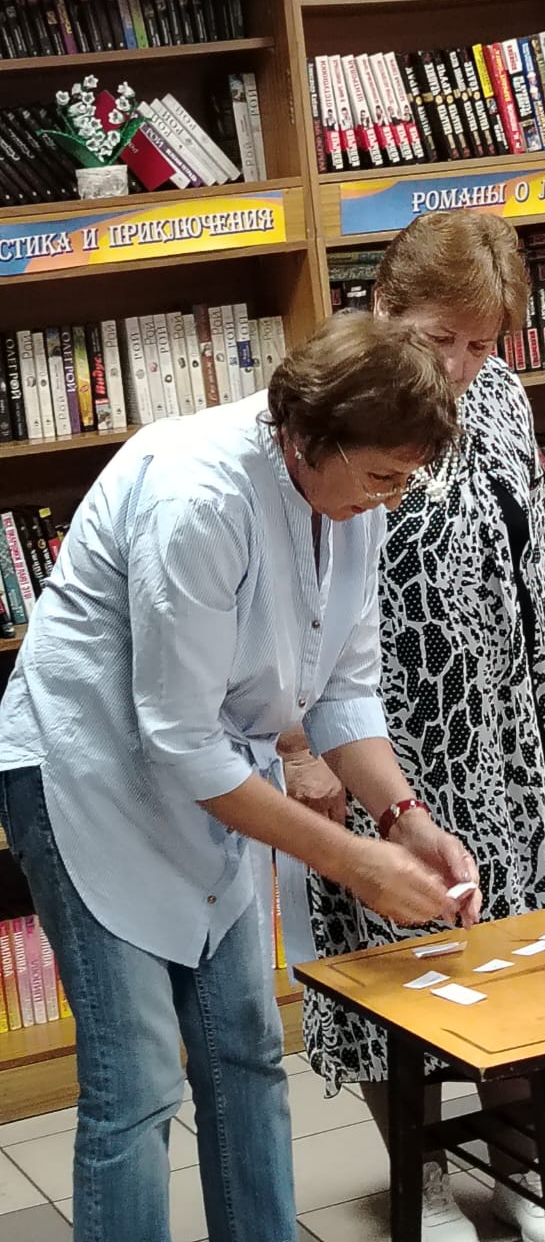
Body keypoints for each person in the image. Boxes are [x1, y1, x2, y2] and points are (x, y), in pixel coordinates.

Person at [0, 314, 480, 1242]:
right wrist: (353, 861)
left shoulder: (350, 501)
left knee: (246, 1055)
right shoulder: (198, 497)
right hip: (88, 775)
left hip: (211, 776)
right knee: (137, 1083)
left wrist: (403, 818)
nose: (390, 499)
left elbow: (343, 687)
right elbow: (180, 743)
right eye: (381, 477)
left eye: (404, 479)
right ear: (304, 440)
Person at [284, 213, 545, 1242]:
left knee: (517, 960)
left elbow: (544, 567)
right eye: (438, 336)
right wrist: (300, 748)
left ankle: (524, 1166)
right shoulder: (342, 402)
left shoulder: (500, 397)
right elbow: (287, 602)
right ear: (383, 305)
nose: (456, 364)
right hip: (381, 733)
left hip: (509, 731)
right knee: (393, 962)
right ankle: (425, 1177)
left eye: (479, 342)